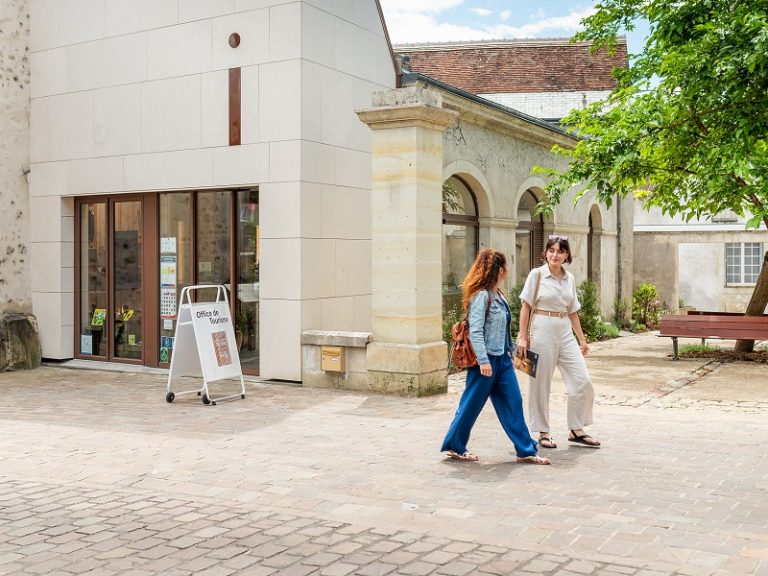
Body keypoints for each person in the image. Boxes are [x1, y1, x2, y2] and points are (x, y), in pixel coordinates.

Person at [441, 249, 550, 465]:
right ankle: (455, 446)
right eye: (506, 268)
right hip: (486, 362)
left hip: (503, 362)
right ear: (500, 270)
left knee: (514, 401)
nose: (507, 271)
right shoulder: (481, 296)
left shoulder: (499, 296)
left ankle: (525, 450)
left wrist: (513, 351)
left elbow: (504, 329)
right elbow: (476, 331)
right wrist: (482, 360)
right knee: (471, 404)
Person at [516, 236, 601, 449]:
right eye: (551, 250)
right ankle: (543, 431)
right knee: (540, 384)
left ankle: (576, 428)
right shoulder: (536, 275)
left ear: (566, 255)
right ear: (545, 253)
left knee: (582, 381)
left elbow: (573, 310)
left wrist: (581, 339)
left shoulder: (569, 278)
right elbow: (525, 307)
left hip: (564, 330)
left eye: (560, 251)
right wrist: (522, 337)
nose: (555, 255)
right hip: (541, 329)